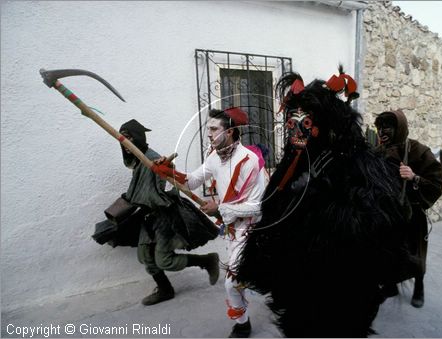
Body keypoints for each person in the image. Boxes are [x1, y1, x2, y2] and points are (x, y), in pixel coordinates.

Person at [235, 69, 411, 337]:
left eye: (304, 123)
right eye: (291, 122)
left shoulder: (357, 166)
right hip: (297, 281)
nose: (295, 130)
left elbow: (376, 224)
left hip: (342, 282)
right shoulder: (292, 165)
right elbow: (273, 212)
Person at [156, 108, 267, 338]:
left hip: (252, 229)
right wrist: (169, 171)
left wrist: (220, 208)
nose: (209, 134)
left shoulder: (250, 161)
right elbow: (193, 181)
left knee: (231, 282)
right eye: (208, 129)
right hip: (232, 229)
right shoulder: (214, 157)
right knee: (242, 276)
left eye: (214, 129)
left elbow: (257, 207)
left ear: (231, 132)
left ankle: (242, 325)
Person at [118, 119, 220, 306]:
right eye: (122, 140)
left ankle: (206, 261)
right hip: (147, 216)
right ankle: (165, 290)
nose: (125, 144)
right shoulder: (138, 161)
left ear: (138, 138)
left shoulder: (152, 159)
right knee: (145, 257)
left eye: (129, 138)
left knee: (164, 260)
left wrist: (168, 169)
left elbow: (170, 184)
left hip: (163, 217)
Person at [374, 109, 442, 308]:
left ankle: (419, 287)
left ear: (399, 128)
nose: (381, 132)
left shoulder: (418, 150)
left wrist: (414, 177)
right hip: (386, 215)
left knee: (415, 254)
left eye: (386, 127)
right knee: (387, 252)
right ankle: (390, 286)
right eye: (379, 128)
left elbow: (438, 182)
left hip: (411, 214)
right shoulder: (377, 152)